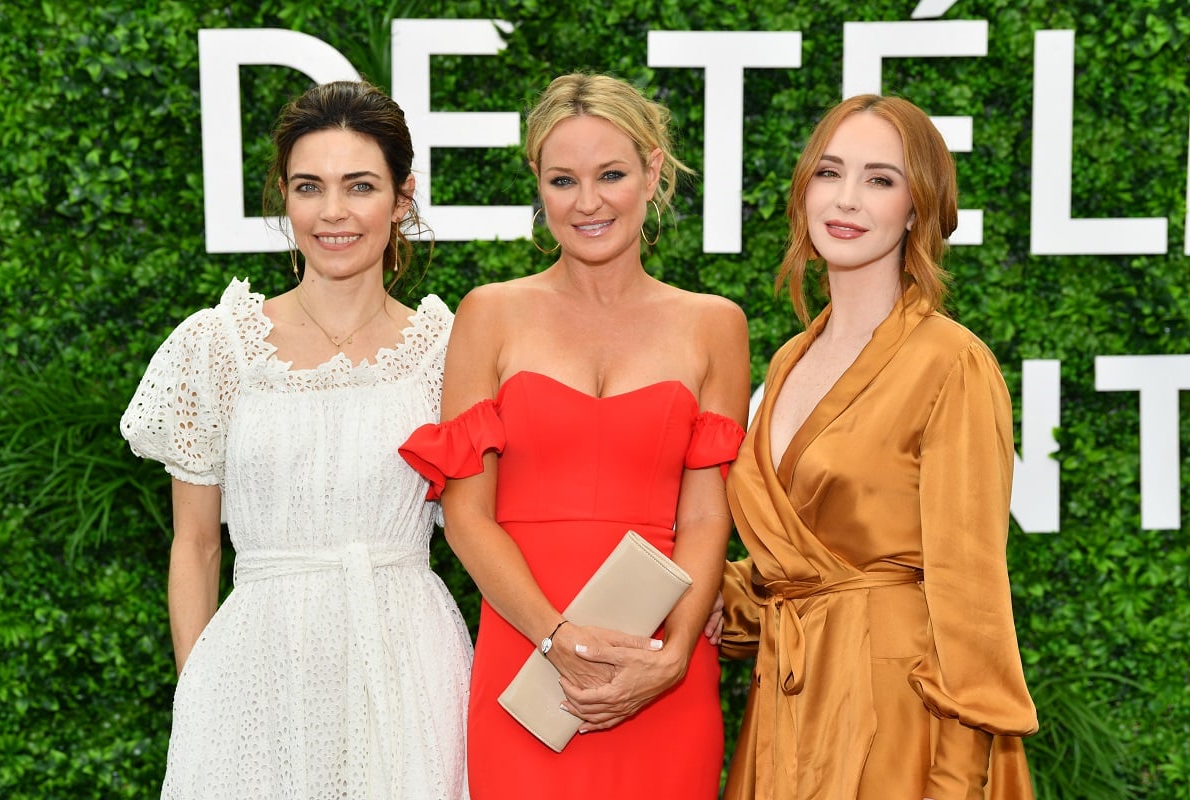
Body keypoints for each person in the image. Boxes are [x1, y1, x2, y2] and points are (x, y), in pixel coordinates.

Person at [399, 73, 749, 799]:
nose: (588, 202)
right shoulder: (490, 314)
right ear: (539, 184)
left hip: (659, 668)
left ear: (652, 171)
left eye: (611, 174)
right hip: (528, 659)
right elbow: (466, 514)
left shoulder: (714, 323)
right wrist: (557, 638)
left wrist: (676, 652)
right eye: (563, 180)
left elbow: (708, 513)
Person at [120, 80, 472, 800]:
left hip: (411, 660)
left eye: (360, 185)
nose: (333, 212)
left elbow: (487, 525)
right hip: (257, 667)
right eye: (310, 186)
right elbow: (195, 545)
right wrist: (201, 693)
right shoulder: (216, 345)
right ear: (283, 194)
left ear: (402, 198)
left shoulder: (449, 349)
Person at [712, 94, 1039, 799]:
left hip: (897, 716)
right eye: (830, 173)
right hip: (785, 709)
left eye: (881, 180)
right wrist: (708, 594)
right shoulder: (787, 362)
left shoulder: (951, 363)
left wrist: (955, 780)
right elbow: (792, 568)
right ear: (804, 193)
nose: (848, 199)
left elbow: (971, 599)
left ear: (918, 208)